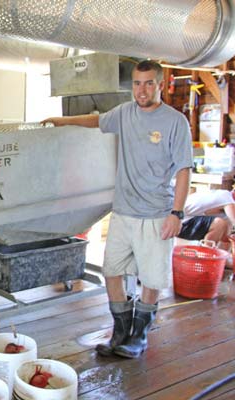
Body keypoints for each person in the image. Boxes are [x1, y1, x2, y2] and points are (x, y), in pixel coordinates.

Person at [43, 60, 193, 359]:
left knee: (151, 279)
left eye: (149, 83)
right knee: (112, 272)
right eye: (137, 83)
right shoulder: (124, 113)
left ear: (160, 84)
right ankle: (120, 333)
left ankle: (139, 336)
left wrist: (176, 214)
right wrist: (59, 122)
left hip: (156, 215)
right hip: (123, 212)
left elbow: (185, 169)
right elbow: (94, 120)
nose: (142, 90)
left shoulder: (175, 121)